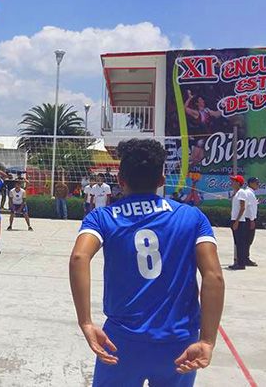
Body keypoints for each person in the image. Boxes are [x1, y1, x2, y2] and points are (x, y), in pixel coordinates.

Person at [69, 138, 224, 386]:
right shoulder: (192, 217)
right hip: (178, 341)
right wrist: (207, 340)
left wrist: (86, 322)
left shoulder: (102, 217)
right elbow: (213, 276)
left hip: (121, 340)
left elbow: (79, 257)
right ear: (161, 181)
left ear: (120, 180)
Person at [228, 175, 248, 270]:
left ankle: (241, 263)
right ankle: (238, 262)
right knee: (237, 242)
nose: (232, 183)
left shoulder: (241, 193)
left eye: (234, 181)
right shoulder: (236, 193)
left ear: (238, 183)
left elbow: (242, 207)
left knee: (240, 243)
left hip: (239, 221)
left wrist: (236, 221)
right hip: (235, 220)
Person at [243, 177, 259, 267]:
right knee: (248, 239)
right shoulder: (249, 193)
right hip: (249, 219)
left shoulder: (250, 193)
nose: (258, 185)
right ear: (251, 183)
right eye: (256, 183)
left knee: (248, 240)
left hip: (249, 218)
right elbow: (249, 208)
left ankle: (245, 257)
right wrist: (252, 220)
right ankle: (246, 258)